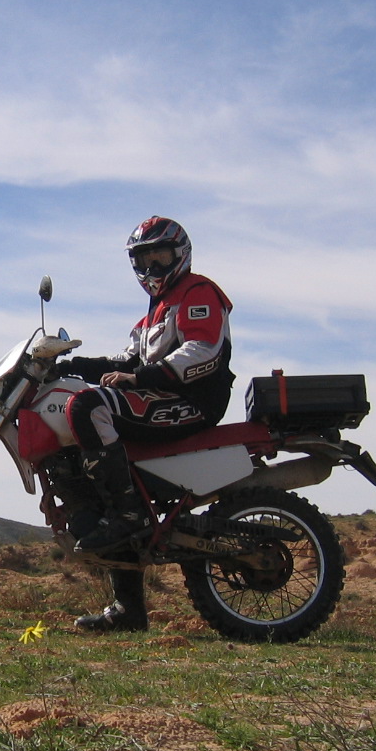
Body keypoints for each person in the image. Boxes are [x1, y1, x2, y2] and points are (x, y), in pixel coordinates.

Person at [50, 217, 235, 632]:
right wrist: (68, 364)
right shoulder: (157, 309)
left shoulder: (198, 292)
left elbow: (203, 349)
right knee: (89, 454)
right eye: (144, 260)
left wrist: (142, 379)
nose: (152, 268)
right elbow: (126, 360)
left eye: (159, 257)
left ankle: (129, 516)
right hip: (163, 396)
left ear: (180, 254)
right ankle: (129, 610)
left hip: (192, 401)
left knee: (86, 407)